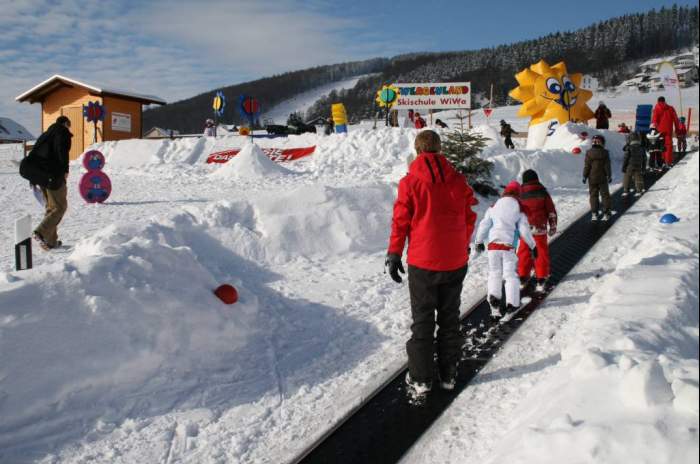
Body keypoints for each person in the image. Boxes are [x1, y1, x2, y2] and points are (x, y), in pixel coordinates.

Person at [386, 130, 477, 398]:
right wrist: (462, 241)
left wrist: (394, 253)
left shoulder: (410, 182)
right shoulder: (458, 180)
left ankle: (421, 379)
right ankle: (448, 374)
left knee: (423, 321)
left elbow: (401, 220)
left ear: (417, 150)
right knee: (450, 319)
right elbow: (469, 214)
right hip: (455, 261)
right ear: (439, 149)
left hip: (423, 262)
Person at [475, 181, 537, 318]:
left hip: (492, 246)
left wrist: (479, 241)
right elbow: (524, 230)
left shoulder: (494, 206)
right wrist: (533, 246)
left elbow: (484, 224)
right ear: (519, 193)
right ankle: (512, 304)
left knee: (494, 273)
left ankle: (494, 301)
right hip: (508, 246)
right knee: (510, 276)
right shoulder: (518, 208)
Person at [19, 115, 72, 250]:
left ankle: (50, 241)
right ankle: (41, 232)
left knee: (51, 207)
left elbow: (35, 153)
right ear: (65, 123)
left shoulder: (46, 134)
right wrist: (65, 170)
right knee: (60, 207)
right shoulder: (62, 132)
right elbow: (62, 151)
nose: (69, 128)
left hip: (39, 174)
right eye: (69, 125)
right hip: (52, 173)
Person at [517, 170, 557, 293]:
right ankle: (541, 279)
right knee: (540, 253)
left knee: (524, 253)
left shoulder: (519, 194)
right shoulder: (543, 192)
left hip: (525, 230)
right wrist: (553, 226)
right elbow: (551, 211)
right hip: (539, 229)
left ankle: (523, 277)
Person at [583, 134, 612, 221]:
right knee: (605, 195)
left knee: (593, 195)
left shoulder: (589, 153)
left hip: (592, 178)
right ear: (602, 143)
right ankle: (606, 212)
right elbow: (607, 166)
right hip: (602, 178)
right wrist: (609, 176)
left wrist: (584, 176)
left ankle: (594, 213)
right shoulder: (605, 153)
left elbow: (587, 166)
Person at [651, 96, 680, 168]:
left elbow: (654, 121)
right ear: (664, 101)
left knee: (661, 146)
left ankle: (662, 161)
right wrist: (677, 130)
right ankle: (668, 162)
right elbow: (676, 120)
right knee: (668, 146)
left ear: (658, 101)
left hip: (660, 132)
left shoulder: (656, 109)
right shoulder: (671, 108)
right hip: (668, 131)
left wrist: (657, 129)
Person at [622, 132, 646, 197]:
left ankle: (626, 190)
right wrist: (643, 167)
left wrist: (624, 167)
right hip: (638, 165)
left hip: (630, 165)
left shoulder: (629, 148)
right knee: (638, 177)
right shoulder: (641, 148)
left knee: (627, 177)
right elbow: (644, 158)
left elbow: (626, 157)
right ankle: (639, 190)